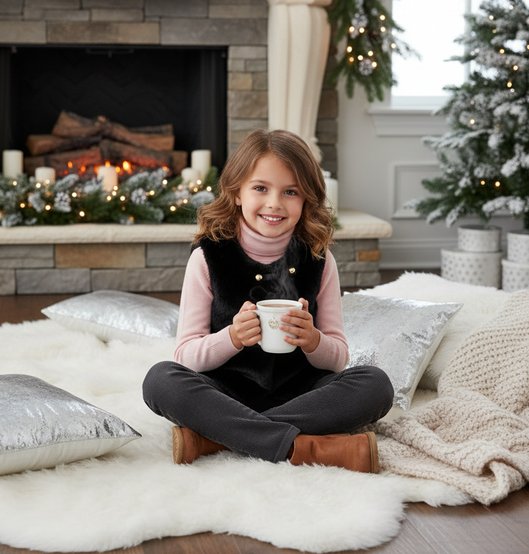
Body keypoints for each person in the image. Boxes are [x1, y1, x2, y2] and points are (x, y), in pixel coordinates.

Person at [143, 129, 393, 473]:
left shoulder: (320, 260)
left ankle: (217, 437)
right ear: (237, 194)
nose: (275, 203)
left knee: (375, 385)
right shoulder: (207, 258)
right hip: (226, 392)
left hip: (304, 395)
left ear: (306, 199)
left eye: (290, 192)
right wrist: (231, 338)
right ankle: (302, 446)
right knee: (160, 380)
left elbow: (338, 359)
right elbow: (185, 357)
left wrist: (313, 340)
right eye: (260, 188)